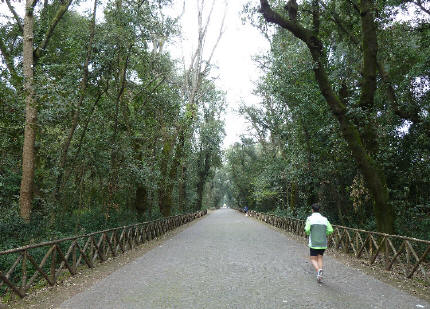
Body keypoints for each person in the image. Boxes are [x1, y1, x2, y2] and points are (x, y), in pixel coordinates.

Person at [305, 203, 333, 283]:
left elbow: (307, 230)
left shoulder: (310, 219)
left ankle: (318, 271)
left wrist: (309, 233)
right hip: (323, 243)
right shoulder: (325, 219)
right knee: (320, 257)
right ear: (319, 210)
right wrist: (324, 233)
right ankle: (320, 270)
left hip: (314, 242)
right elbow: (330, 230)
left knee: (313, 258)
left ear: (312, 210)